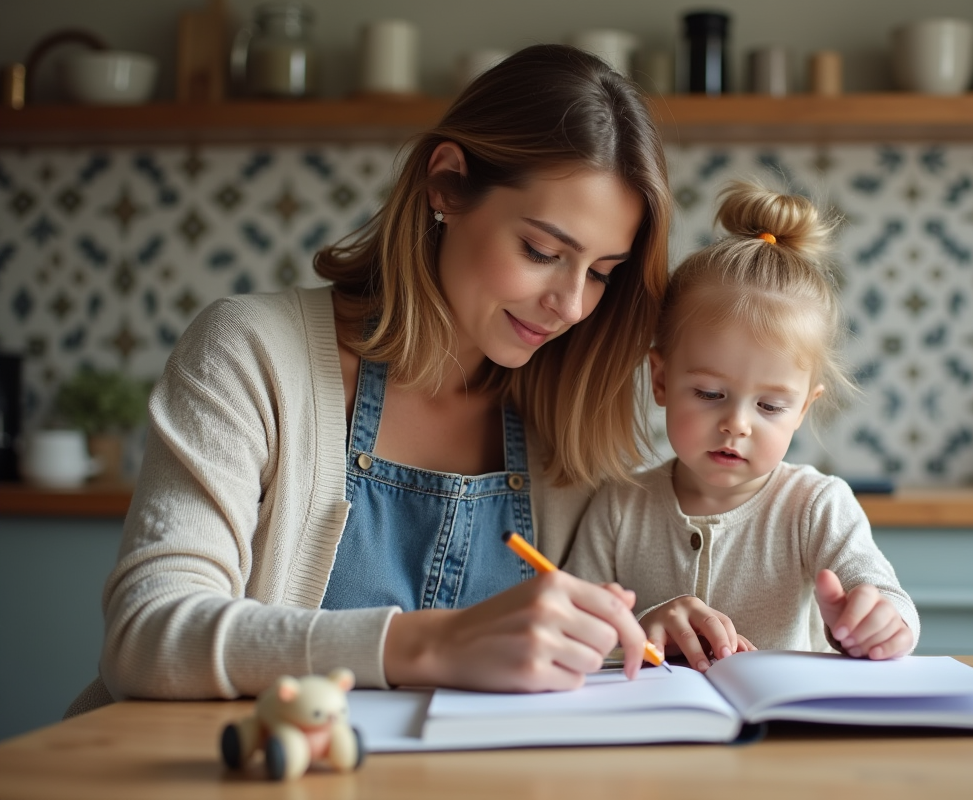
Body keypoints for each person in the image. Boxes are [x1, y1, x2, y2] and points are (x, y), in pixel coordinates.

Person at [68, 44, 673, 714]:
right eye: (541, 251)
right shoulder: (250, 352)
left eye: (601, 272)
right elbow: (147, 639)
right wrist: (430, 644)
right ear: (445, 184)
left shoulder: (569, 420)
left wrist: (646, 629)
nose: (571, 304)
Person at [565, 182, 920, 673]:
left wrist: (880, 622)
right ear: (662, 379)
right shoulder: (619, 507)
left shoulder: (815, 505)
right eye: (710, 395)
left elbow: (887, 599)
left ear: (803, 410)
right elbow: (569, 631)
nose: (736, 424)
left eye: (771, 406)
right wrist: (643, 630)